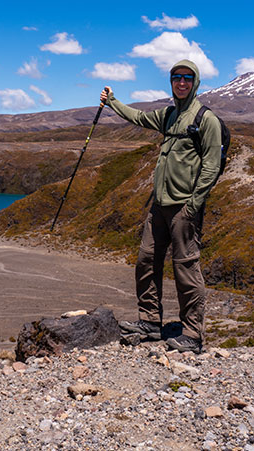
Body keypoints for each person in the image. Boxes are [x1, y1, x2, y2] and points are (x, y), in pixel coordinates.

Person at [99, 59, 221, 354]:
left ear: (196, 83)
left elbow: (211, 167)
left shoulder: (206, 120)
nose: (181, 83)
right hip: (160, 205)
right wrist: (113, 102)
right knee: (146, 260)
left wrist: (193, 206)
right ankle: (150, 323)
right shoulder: (168, 115)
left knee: (186, 270)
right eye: (176, 78)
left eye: (187, 78)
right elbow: (139, 117)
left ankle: (192, 334)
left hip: (183, 209)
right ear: (171, 82)